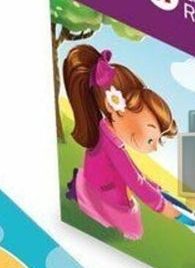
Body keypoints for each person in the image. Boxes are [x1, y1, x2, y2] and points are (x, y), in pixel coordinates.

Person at [63, 45, 187, 240]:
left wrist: (156, 187)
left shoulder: (106, 130)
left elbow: (134, 172)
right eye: (151, 138)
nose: (154, 147)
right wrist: (163, 207)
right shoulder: (111, 143)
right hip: (105, 189)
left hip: (105, 180)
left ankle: (80, 192)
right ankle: (85, 198)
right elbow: (135, 181)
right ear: (114, 107)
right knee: (134, 229)